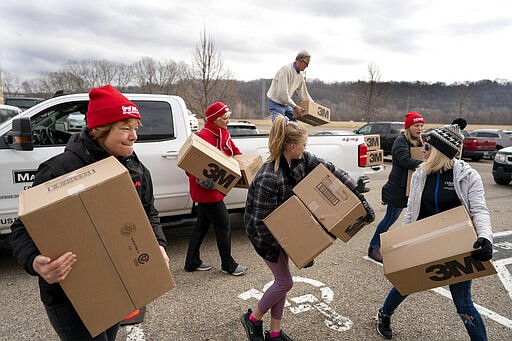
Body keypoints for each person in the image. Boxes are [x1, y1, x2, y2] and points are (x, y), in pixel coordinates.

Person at [9, 85, 170, 341]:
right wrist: (34, 262)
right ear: (100, 130)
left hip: (115, 286)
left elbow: (149, 212)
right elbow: (22, 228)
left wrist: (158, 244)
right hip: (68, 297)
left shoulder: (136, 169)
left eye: (135, 128)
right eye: (125, 128)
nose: (134, 136)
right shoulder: (58, 170)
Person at [241, 115, 375, 341]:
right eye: (304, 144)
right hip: (265, 238)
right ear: (292, 147)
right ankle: (252, 319)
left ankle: (274, 334)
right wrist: (296, 247)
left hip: (286, 232)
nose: (306, 148)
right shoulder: (268, 177)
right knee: (285, 282)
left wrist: (358, 199)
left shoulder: (304, 160)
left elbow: (332, 172)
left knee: (281, 284)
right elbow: (259, 223)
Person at [376, 124, 493, 340]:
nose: (423, 150)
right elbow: (411, 212)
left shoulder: (468, 176)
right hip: (425, 241)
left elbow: (479, 211)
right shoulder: (421, 173)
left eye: (427, 147)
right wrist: (404, 243)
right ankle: (384, 313)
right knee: (406, 283)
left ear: (440, 152)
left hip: (456, 245)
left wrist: (485, 237)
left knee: (464, 305)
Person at [184, 101, 247, 276]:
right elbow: (190, 163)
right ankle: (228, 265)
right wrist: (200, 178)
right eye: (225, 117)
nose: (228, 120)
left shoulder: (223, 133)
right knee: (224, 224)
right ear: (214, 119)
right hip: (206, 190)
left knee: (202, 225)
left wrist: (244, 164)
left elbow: (235, 152)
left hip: (214, 188)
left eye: (228, 116)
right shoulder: (204, 136)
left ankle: (191, 261)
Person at [367, 111, 425, 263]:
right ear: (408, 127)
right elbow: (405, 160)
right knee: (389, 219)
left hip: (412, 188)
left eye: (421, 126)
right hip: (397, 189)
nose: (419, 129)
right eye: (416, 125)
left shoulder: (421, 141)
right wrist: (426, 165)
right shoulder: (401, 141)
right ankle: (373, 248)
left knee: (415, 218)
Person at [267, 50, 313, 122]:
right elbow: (283, 94)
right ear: (300, 61)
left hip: (287, 104)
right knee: (280, 128)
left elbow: (304, 94)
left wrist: (313, 107)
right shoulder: (286, 70)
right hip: (276, 103)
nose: (307, 67)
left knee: (294, 127)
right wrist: (295, 106)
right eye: (306, 64)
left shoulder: (300, 76)